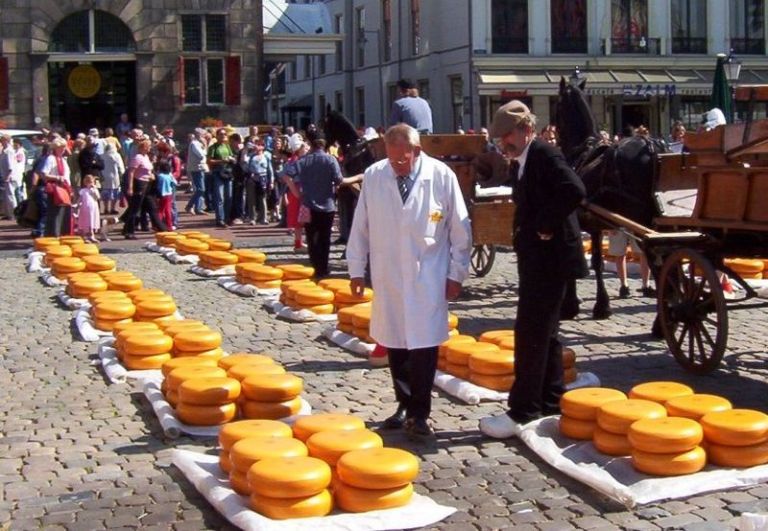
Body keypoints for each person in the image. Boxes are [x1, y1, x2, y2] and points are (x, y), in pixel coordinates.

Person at [346, 123, 472, 437]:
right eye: (392, 160)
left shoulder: (441, 176)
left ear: (416, 151)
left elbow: (460, 229)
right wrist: (356, 269)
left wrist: (456, 274)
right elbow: (360, 225)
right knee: (395, 341)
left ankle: (420, 412)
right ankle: (403, 404)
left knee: (424, 345)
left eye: (402, 160)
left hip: (428, 273)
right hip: (389, 273)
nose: (397, 166)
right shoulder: (376, 175)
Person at [478, 100, 588, 439]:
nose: (502, 144)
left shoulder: (544, 154)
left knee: (530, 334)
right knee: (547, 333)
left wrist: (545, 223)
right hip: (538, 258)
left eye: (506, 137)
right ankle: (552, 400)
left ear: (526, 130)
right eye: (498, 140)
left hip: (550, 259)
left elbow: (575, 190)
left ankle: (522, 410)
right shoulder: (523, 160)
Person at [282, 131, 359, 277]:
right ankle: (323, 268)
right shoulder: (330, 160)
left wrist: (296, 192)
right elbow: (339, 181)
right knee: (325, 238)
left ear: (311, 144)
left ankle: (316, 266)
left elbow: (286, 175)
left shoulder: (304, 160)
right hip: (327, 205)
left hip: (307, 204)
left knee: (311, 237)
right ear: (324, 144)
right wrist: (357, 177)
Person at [123, 138, 167, 239]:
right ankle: (129, 231)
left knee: (152, 207)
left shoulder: (146, 157)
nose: (150, 148)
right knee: (135, 209)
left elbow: (148, 169)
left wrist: (151, 175)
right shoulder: (137, 157)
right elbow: (131, 172)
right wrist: (130, 187)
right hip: (139, 184)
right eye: (148, 147)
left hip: (148, 184)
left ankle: (162, 228)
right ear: (143, 147)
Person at [40, 137, 74, 237]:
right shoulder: (51, 159)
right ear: (56, 148)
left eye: (64, 147)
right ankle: (54, 235)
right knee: (56, 214)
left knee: (64, 214)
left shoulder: (63, 159)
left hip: (65, 189)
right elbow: (43, 174)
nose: (64, 149)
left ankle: (63, 234)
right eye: (61, 147)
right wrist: (58, 178)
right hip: (56, 190)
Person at [280, 134, 309, 251]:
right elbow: (286, 177)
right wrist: (295, 192)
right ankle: (299, 243)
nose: (306, 148)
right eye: (304, 146)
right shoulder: (296, 161)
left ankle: (299, 242)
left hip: (297, 190)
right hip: (298, 190)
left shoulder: (294, 160)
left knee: (301, 218)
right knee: (301, 218)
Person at [607, 231, 654, 298]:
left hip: (637, 223)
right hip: (619, 224)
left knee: (644, 252)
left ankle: (645, 285)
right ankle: (624, 286)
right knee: (620, 254)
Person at [207, 128, 236, 227]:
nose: (223, 136)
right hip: (217, 173)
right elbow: (209, 161)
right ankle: (220, 219)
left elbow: (232, 157)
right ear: (217, 136)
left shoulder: (227, 146)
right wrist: (221, 161)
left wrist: (232, 159)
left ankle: (227, 218)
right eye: (221, 134)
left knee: (229, 197)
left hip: (228, 173)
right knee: (220, 197)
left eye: (225, 134)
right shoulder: (213, 147)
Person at [245, 138, 273, 225]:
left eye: (259, 145)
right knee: (251, 199)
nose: (257, 146)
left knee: (262, 198)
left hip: (263, 178)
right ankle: (252, 218)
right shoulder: (251, 156)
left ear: (263, 147)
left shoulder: (266, 156)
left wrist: (271, 181)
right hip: (252, 179)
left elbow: (270, 170)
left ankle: (263, 218)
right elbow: (246, 167)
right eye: (256, 144)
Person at [185, 129, 209, 215]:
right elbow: (201, 155)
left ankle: (198, 208)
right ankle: (189, 206)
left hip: (201, 168)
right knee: (200, 189)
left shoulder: (198, 144)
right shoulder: (194, 144)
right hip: (196, 169)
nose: (204, 137)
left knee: (201, 189)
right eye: (203, 135)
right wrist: (205, 146)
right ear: (198, 135)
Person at [101, 142, 124, 215]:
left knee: (105, 193)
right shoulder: (117, 155)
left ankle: (105, 208)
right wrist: (122, 174)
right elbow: (120, 166)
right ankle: (113, 208)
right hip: (114, 176)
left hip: (104, 176)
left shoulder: (102, 156)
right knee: (115, 192)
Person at [77, 174, 101, 242]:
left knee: (92, 221)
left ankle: (92, 235)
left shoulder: (94, 190)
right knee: (86, 222)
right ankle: (85, 236)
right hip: (85, 208)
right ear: (85, 183)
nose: (90, 184)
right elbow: (80, 199)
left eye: (91, 182)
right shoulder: (83, 190)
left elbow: (98, 197)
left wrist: (94, 190)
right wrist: (77, 204)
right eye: (88, 182)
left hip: (93, 208)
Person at [155, 160, 177, 230]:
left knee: (160, 210)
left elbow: (157, 186)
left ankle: (157, 225)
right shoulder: (169, 176)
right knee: (168, 210)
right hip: (169, 194)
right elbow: (174, 183)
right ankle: (169, 225)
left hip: (162, 194)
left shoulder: (160, 176)